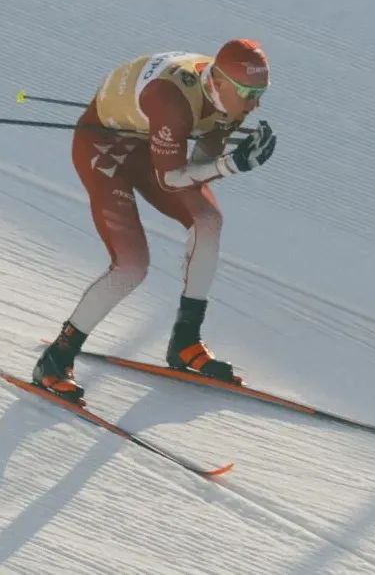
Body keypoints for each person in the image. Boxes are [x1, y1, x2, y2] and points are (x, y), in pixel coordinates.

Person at [32, 39, 277, 402]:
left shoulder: (229, 96)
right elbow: (171, 178)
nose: (255, 104)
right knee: (132, 266)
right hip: (105, 149)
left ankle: (185, 340)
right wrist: (230, 165)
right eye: (248, 93)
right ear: (221, 83)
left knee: (208, 221)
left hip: (153, 145)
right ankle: (55, 359)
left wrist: (226, 161)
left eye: (261, 92)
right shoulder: (172, 101)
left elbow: (195, 168)